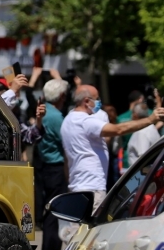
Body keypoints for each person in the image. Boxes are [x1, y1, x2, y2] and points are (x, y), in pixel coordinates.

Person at [61, 85, 164, 216]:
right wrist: (150, 120)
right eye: (97, 99)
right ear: (86, 101)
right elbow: (118, 129)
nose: (99, 102)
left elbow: (66, 157)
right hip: (92, 188)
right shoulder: (85, 121)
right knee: (92, 231)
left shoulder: (68, 120)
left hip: (76, 186)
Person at [36, 78, 69, 250]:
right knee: (54, 215)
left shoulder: (45, 112)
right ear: (62, 96)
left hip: (44, 167)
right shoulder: (56, 116)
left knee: (49, 212)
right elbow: (67, 144)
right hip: (55, 168)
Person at [126, 102, 162, 167]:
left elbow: (143, 159)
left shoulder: (141, 132)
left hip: (141, 175)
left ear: (135, 115)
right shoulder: (151, 127)